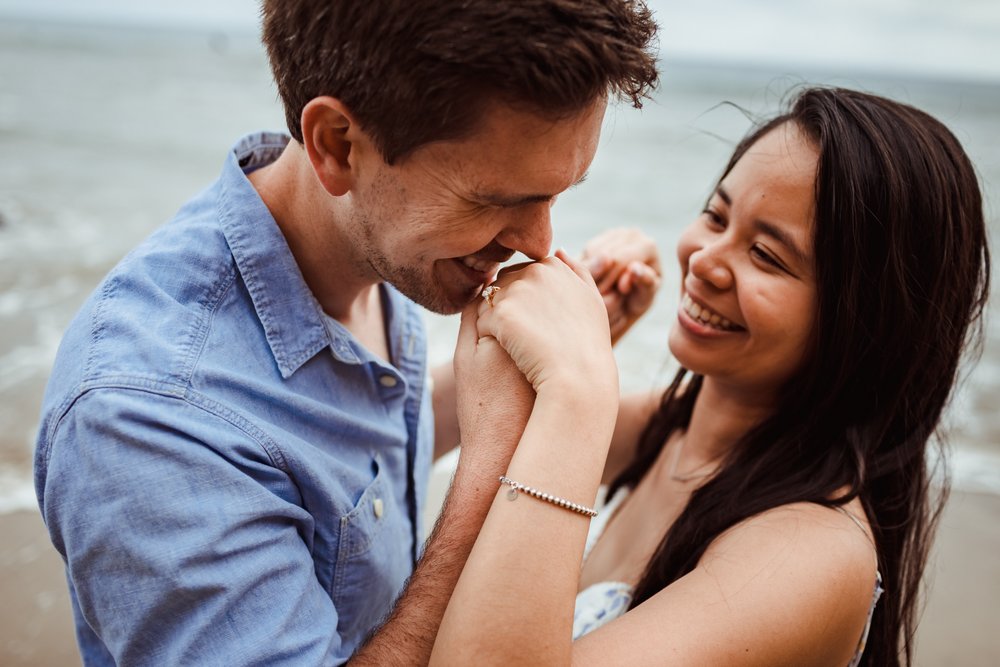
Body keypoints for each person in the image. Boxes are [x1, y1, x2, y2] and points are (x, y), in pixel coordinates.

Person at [33, 1, 660, 664]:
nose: (539, 245)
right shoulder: (146, 420)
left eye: (555, 195)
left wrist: (518, 368)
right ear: (336, 143)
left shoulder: (369, 243)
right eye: (498, 201)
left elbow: (356, 430)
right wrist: (496, 463)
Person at [431, 87, 990, 666]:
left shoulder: (810, 553)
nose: (703, 260)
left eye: (768, 256)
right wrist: (559, 355)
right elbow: (413, 430)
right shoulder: (667, 431)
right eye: (716, 216)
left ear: (867, 324)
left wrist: (578, 388)